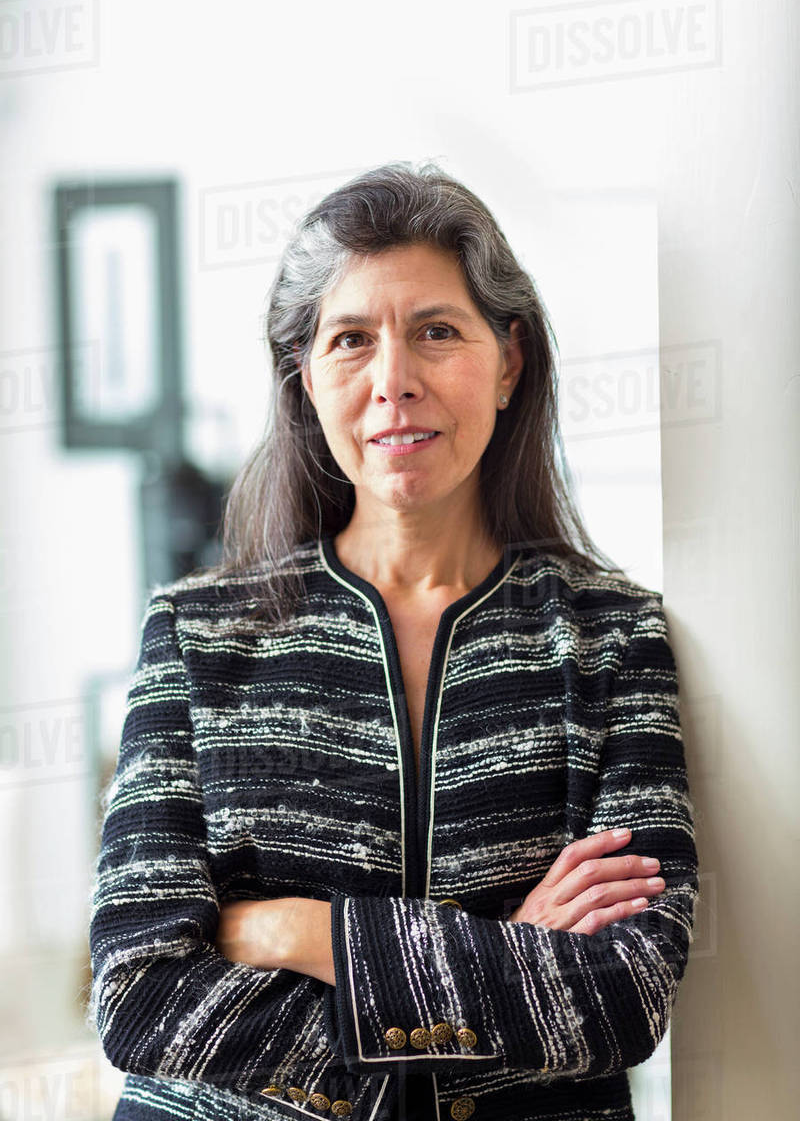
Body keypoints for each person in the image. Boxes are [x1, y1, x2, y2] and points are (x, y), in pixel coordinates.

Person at [88, 161, 699, 1121]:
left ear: (509, 361)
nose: (393, 383)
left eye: (436, 333)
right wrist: (506, 968)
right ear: (305, 376)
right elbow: (139, 996)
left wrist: (297, 930)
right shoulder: (196, 637)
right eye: (351, 340)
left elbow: (623, 997)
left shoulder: (612, 638)